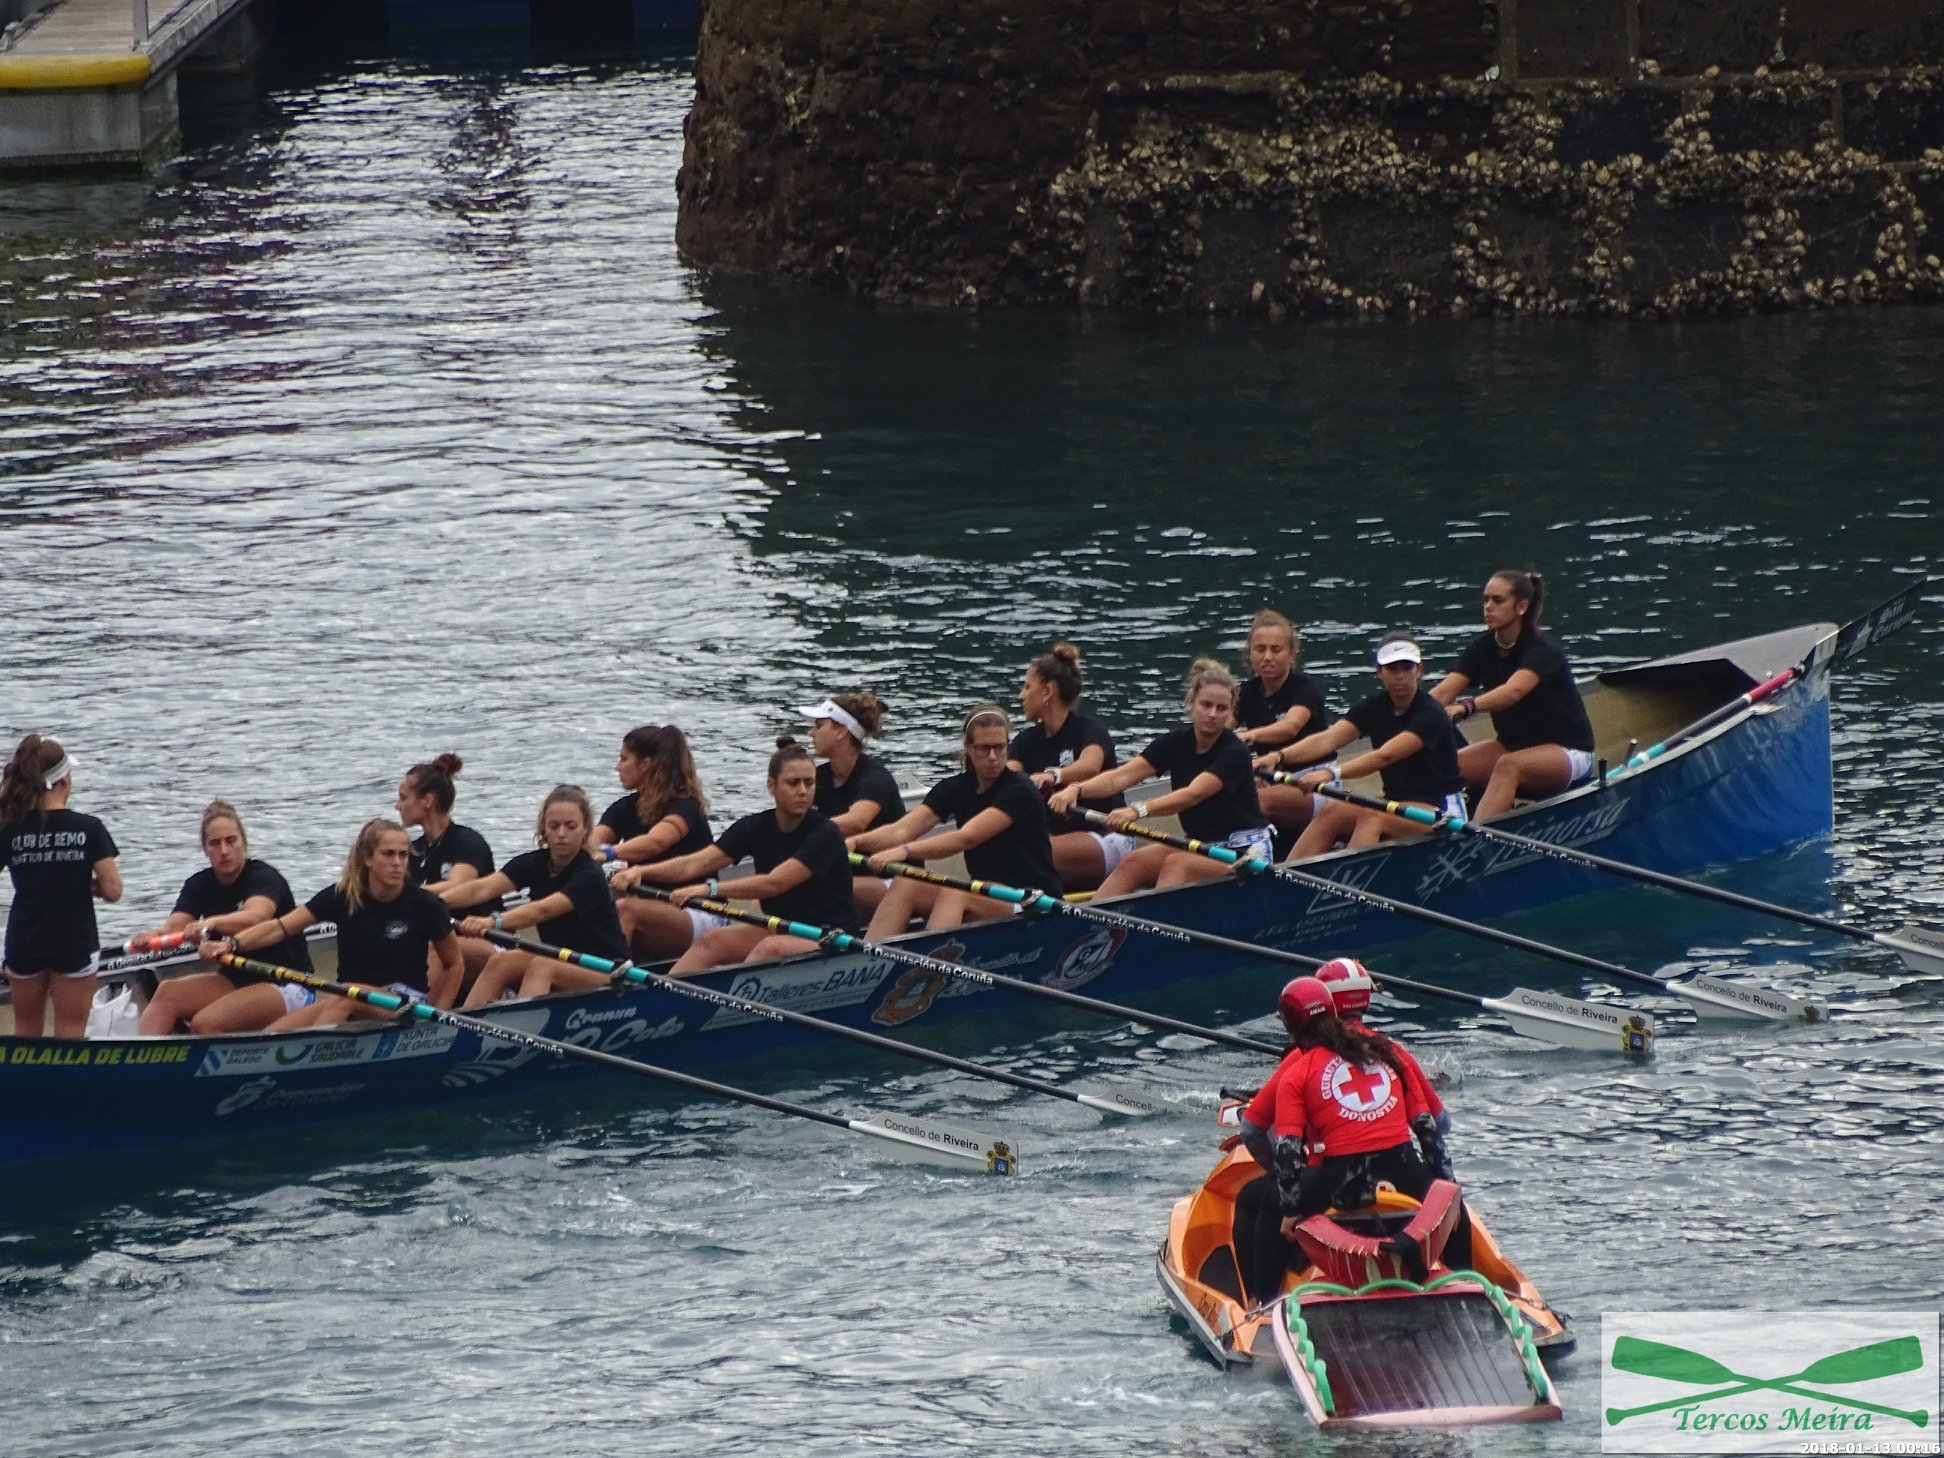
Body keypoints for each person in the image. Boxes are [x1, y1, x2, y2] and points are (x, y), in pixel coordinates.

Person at [1229, 977, 1450, 1306]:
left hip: (1339, 1181)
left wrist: (1289, 1209)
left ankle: (1262, 1305)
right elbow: (1432, 1128)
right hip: (1402, 1172)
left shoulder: (1298, 1067)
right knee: (1451, 1196)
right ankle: (1474, 1276)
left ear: (1290, 1025)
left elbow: (1279, 1144)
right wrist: (1446, 1193)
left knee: (1264, 1201)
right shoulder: (1389, 1051)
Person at [612, 742, 855, 974]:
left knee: (770, 949)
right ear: (771, 785)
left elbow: (775, 883)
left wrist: (711, 889)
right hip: (782, 927)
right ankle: (659, 1003)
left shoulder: (825, 833)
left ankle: (724, 1010)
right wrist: (642, 872)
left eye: (809, 783)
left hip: (828, 935)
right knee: (712, 940)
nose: (803, 791)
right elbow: (694, 864)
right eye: (793, 783)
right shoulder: (754, 826)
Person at [200, 819, 461, 1028]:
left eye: (403, 856)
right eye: (388, 854)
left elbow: (454, 964)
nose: (397, 863)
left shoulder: (424, 904)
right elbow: (280, 927)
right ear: (368, 859)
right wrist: (232, 943)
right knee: (277, 1032)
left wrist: (438, 1018)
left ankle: (307, 1066)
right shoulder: (343, 896)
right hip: (346, 995)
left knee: (345, 998)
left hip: (403, 1000)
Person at [1048, 659, 1271, 896]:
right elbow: (1120, 777)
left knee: (1177, 864)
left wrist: (1137, 811)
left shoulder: (1234, 751)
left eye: (1221, 708)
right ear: (1191, 702)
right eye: (1206, 705)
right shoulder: (1176, 742)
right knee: (1134, 862)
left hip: (1244, 851)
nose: (1213, 714)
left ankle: (1152, 928)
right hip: (1200, 845)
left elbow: (1192, 794)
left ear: (1230, 710)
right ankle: (1092, 930)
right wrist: (1076, 789)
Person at [853, 703, 1063, 938]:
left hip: (1033, 900)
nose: (993, 757)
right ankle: (872, 961)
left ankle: (928, 969)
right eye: (983, 748)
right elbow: (900, 830)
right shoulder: (955, 787)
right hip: (990, 895)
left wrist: (904, 851)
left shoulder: (1019, 790)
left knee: (956, 892)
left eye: (999, 747)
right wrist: (852, 843)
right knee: (905, 883)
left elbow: (967, 837)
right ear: (968, 748)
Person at [1272, 633, 1467, 858]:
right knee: (1332, 810)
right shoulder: (1374, 707)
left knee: (1372, 817)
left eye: (1406, 667)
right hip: (1398, 804)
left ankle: (1352, 881)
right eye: (1393, 668)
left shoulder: (1431, 714)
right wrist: (1278, 757)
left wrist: (1330, 773)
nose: (1400, 676)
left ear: (1419, 670)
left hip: (1442, 810)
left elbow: (1384, 756)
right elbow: (1327, 739)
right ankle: (1288, 876)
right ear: (1379, 672)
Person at [136, 801, 316, 1036]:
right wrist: (151, 937)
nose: (223, 851)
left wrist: (210, 923)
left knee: (206, 1022)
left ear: (244, 842)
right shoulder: (198, 885)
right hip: (235, 978)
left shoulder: (264, 877)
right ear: (205, 849)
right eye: (215, 843)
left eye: (231, 841)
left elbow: (257, 917)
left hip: (287, 982)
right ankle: (142, 1064)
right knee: (167, 994)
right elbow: (174, 928)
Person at [1430, 568, 1597, 819]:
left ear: (1521, 607)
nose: (1488, 607)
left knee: (1508, 766)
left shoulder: (1542, 648)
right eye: (1485, 599)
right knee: (1445, 767)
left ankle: (1477, 841)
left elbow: (1513, 691)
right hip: (1512, 747)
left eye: (1497, 600)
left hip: (1568, 752)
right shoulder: (1483, 647)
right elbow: (1444, 690)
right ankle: (1445, 825)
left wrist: (1467, 707)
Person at [448, 786, 632, 1006]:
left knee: (542, 966)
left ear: (585, 829)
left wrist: (491, 921)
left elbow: (543, 909)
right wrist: (436, 902)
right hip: (562, 961)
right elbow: (481, 889)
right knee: (502, 961)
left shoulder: (589, 873)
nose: (561, 834)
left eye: (570, 826)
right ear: (544, 829)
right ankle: (466, 1031)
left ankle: (522, 1027)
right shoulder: (533, 863)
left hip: (608, 971)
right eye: (554, 826)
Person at [0, 735, 121, 1039]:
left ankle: (25, 1086)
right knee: (70, 1034)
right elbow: (113, 890)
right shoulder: (90, 829)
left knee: (26, 1032)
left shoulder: (10, 829)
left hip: (24, 940)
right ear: (64, 780)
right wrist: (80, 882)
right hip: (73, 940)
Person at [1008, 643, 1135, 892]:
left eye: (1027, 687)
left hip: (1105, 834)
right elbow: (1007, 774)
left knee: (1032, 853)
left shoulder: (1088, 730)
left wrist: (1053, 775)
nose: (1021, 696)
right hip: (1058, 839)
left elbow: (1090, 765)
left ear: (1048, 691)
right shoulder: (1025, 741)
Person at [599, 726, 716, 959]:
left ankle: (601, 982)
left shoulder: (686, 806)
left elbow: (655, 842)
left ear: (645, 764)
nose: (617, 767)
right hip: (658, 911)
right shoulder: (625, 808)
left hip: (700, 911)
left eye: (624, 759)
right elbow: (590, 841)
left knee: (626, 910)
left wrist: (609, 853)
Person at [1312, 957, 1450, 1139]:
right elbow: (1443, 1123)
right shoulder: (1392, 1051)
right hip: (1395, 1159)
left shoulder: (1303, 1057)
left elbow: (1261, 1123)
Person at [1231, 610, 1335, 845]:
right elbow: (1221, 730)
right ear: (1250, 653)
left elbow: (1291, 726)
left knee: (1258, 802)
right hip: (1272, 778)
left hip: (1316, 781)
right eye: (1260, 649)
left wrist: (1249, 735)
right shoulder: (1245, 693)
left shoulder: (1305, 689)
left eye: (1276, 650)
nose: (1267, 657)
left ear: (1291, 653)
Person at [794, 694, 903, 918]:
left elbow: (856, 822)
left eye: (819, 726)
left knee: (802, 887)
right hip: (846, 874)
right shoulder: (820, 777)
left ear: (842, 731)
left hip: (891, 880)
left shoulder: (875, 778)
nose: (811, 733)